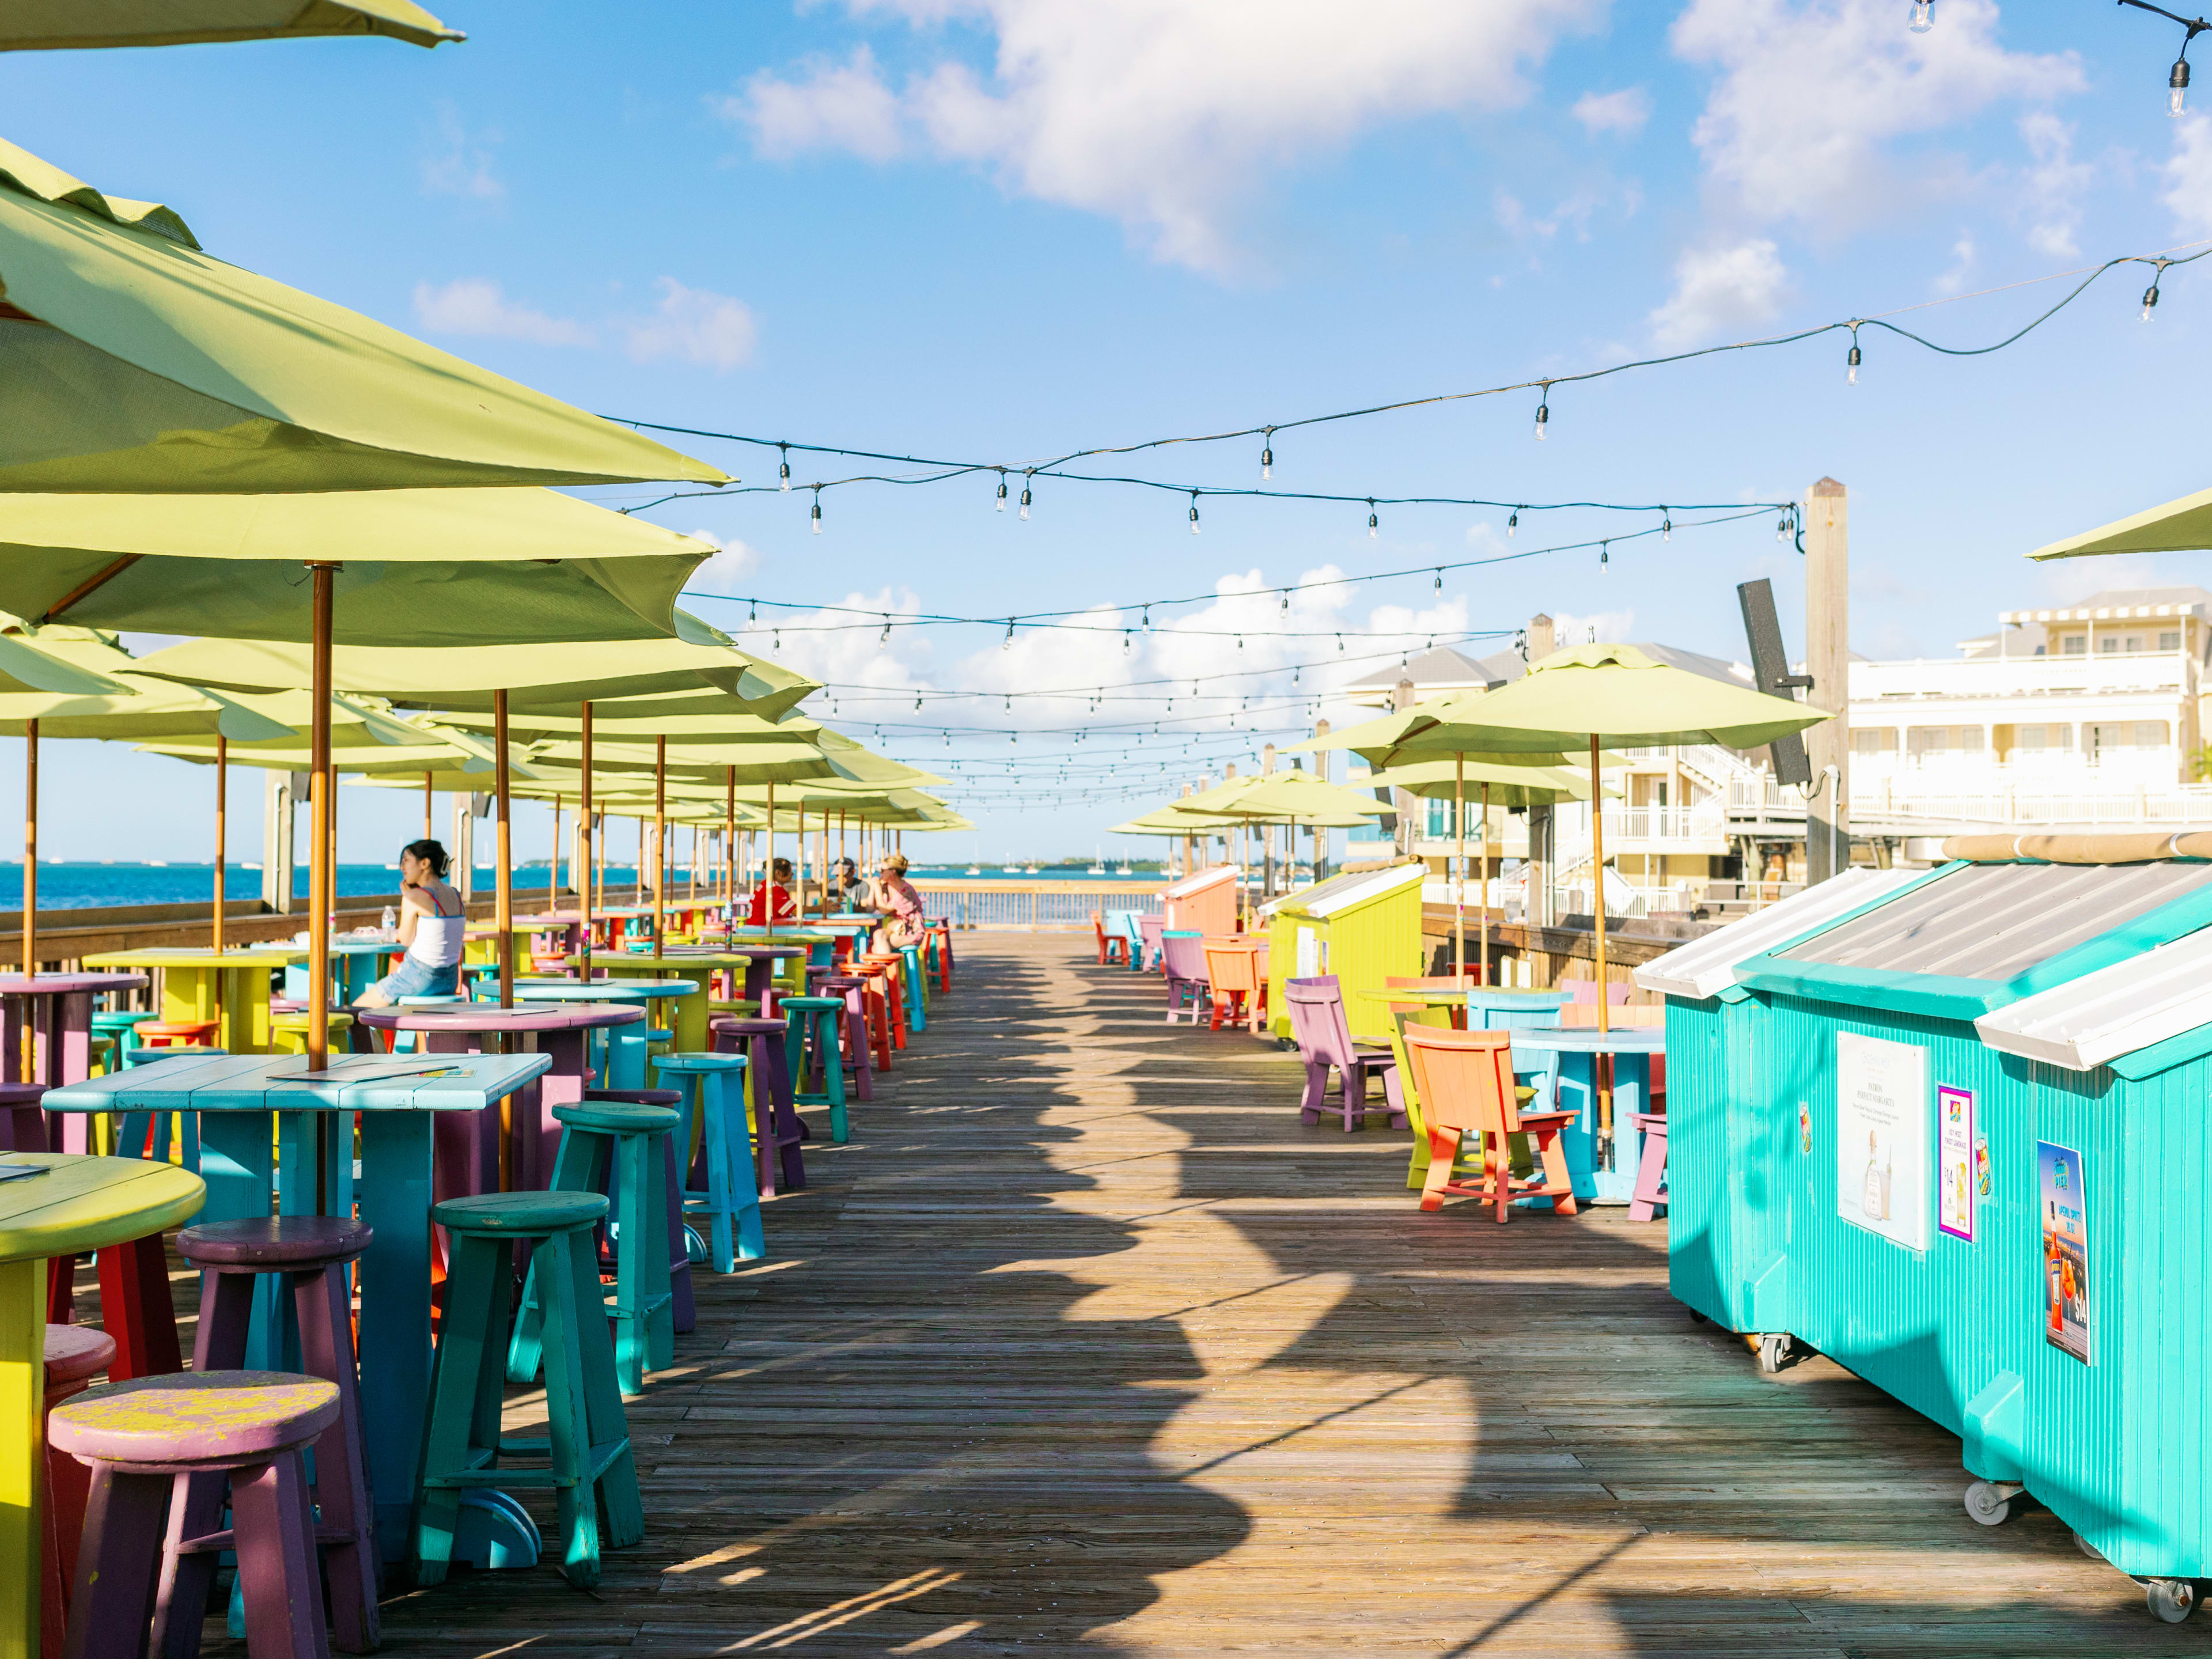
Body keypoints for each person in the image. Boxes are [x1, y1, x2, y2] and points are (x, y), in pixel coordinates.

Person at [356, 839, 465, 1007]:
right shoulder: (456, 896)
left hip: (418, 977)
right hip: (449, 981)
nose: (402, 868)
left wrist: (408, 897)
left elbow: (406, 940)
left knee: (358, 1010)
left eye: (406, 861)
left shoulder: (414, 897)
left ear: (424, 863)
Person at [865, 852, 926, 949]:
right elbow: (869, 909)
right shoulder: (886, 888)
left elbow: (884, 910)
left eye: (882, 870)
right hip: (896, 928)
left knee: (877, 945)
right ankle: (887, 964)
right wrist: (873, 889)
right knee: (878, 935)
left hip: (911, 930)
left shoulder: (905, 891)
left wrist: (877, 889)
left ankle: (886, 964)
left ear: (892, 872)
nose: (880, 873)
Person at [749, 857, 798, 925]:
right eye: (789, 871)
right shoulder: (774, 889)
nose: (792, 874)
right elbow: (796, 911)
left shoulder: (766, 884)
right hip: (762, 926)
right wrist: (817, 908)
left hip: (756, 924)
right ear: (778, 873)